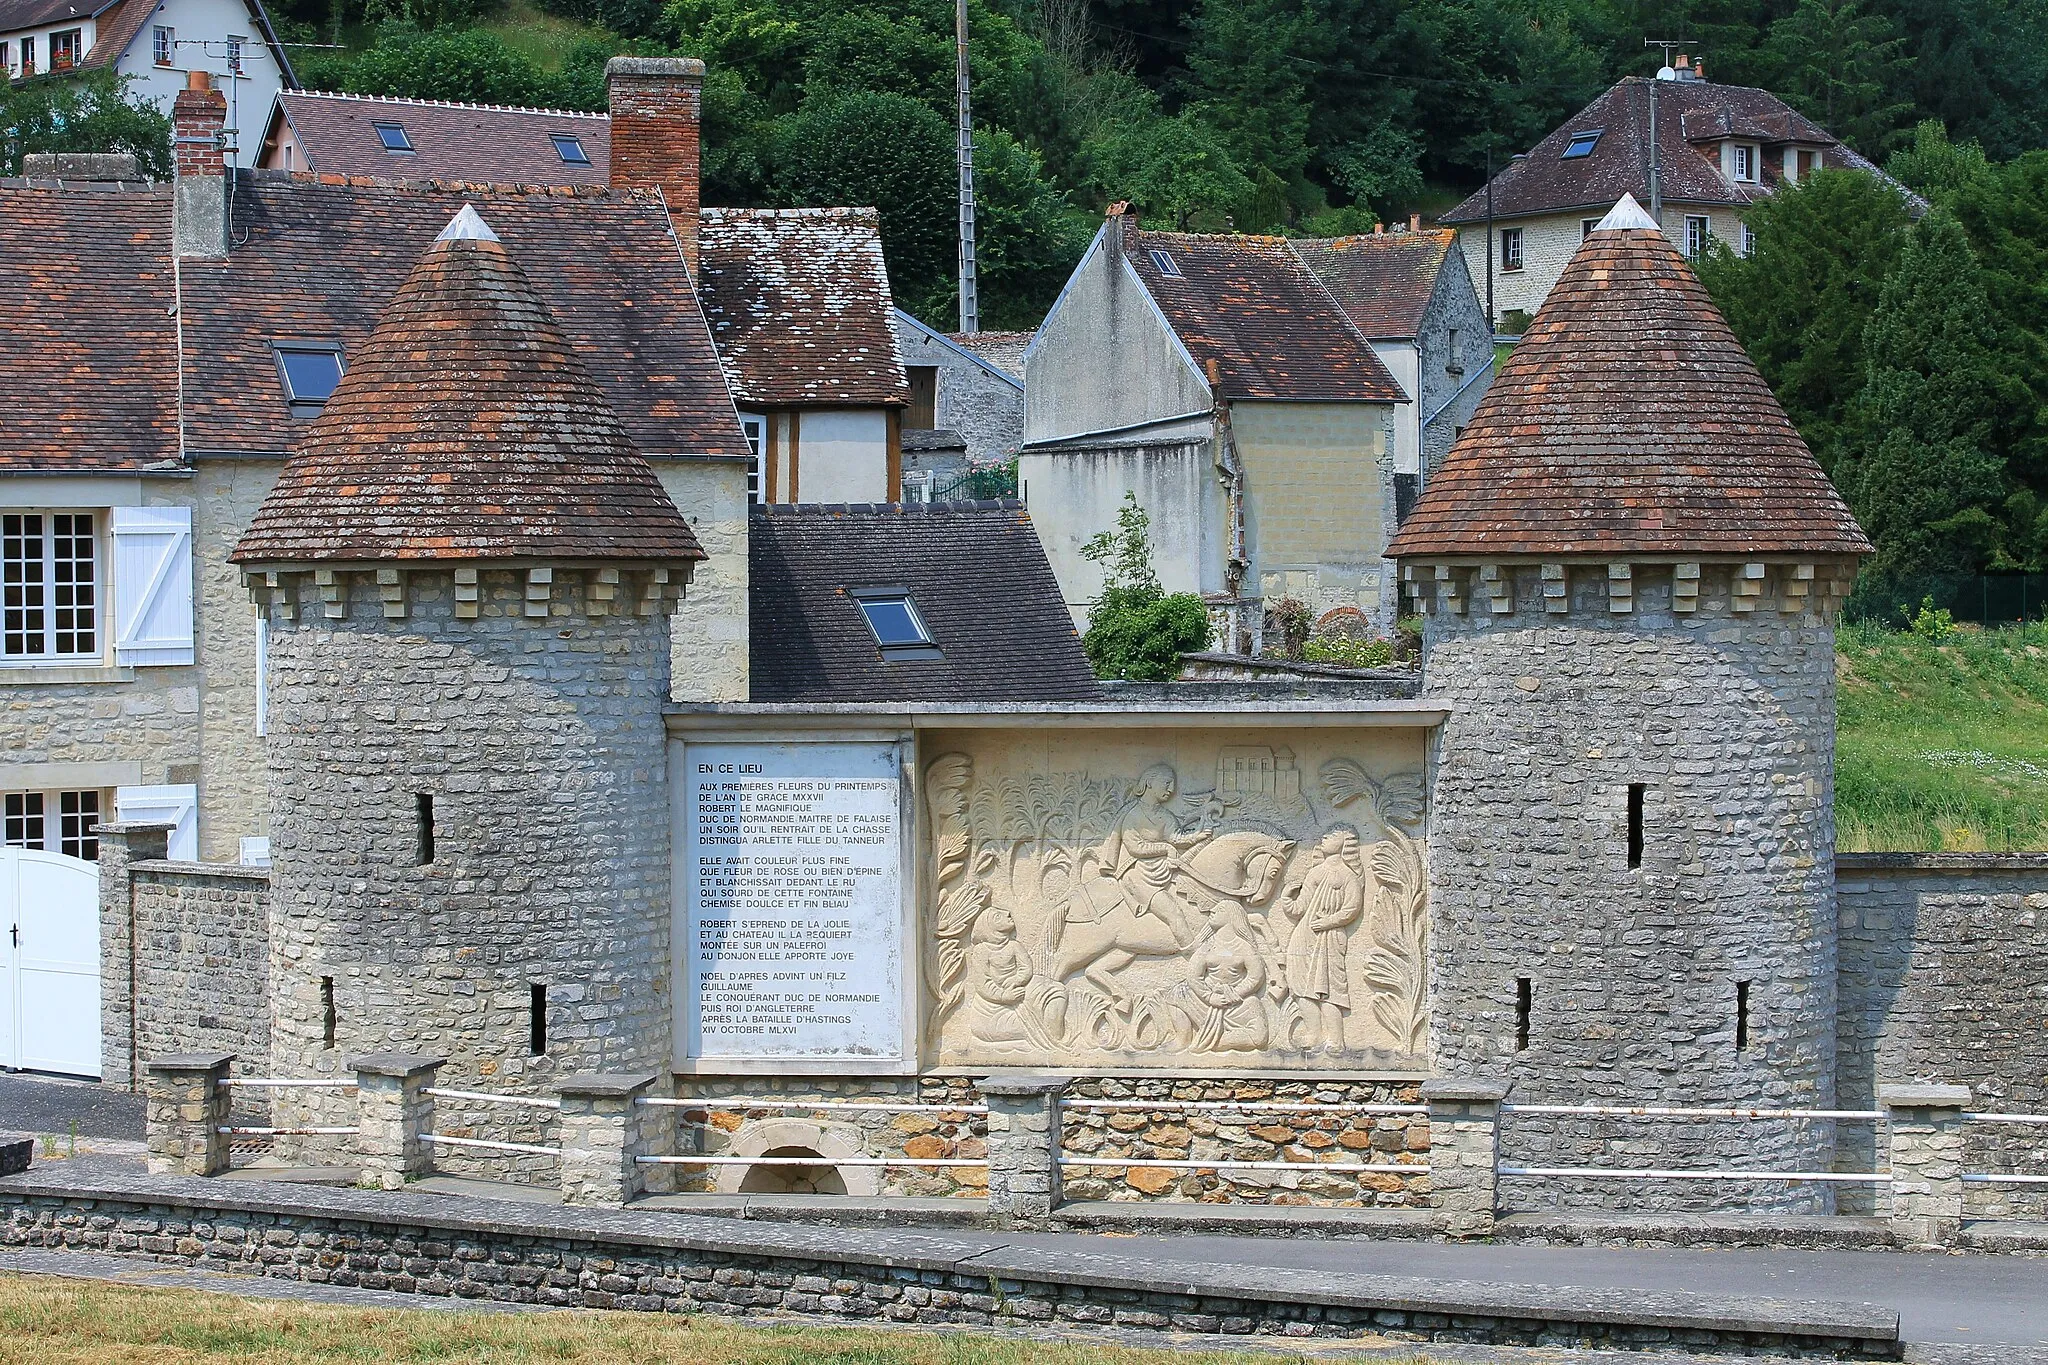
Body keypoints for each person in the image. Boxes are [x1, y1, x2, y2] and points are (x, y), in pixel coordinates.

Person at [1285, 826, 1365, 1052]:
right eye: (1325, 835)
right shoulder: (1315, 873)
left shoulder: (1348, 875)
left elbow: (1352, 908)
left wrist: (1328, 921)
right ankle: (1313, 1035)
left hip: (1330, 937)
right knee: (1299, 985)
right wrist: (1286, 897)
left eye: (1331, 835)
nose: (1324, 838)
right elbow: (1300, 908)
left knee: (1329, 988)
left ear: (1344, 843)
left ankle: (1336, 1041)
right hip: (1303, 936)